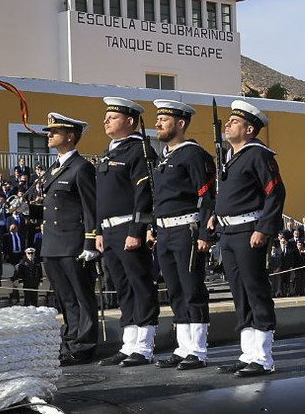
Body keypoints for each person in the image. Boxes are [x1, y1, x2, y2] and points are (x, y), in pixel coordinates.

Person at [214, 99, 286, 376]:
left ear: (249, 130)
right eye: (229, 120)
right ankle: (248, 354)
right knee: (239, 293)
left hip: (248, 230)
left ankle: (264, 357)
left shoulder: (258, 154)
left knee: (255, 290)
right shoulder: (231, 156)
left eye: (235, 121)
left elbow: (275, 192)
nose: (228, 124)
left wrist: (263, 228)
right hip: (228, 232)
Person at [150, 99, 217, 370]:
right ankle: (183, 347)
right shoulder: (164, 158)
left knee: (192, 289)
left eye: (163, 120)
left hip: (186, 229)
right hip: (165, 232)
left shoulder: (193, 155)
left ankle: (198, 350)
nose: (158, 123)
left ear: (180, 123)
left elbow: (208, 196)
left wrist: (204, 233)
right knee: (176, 292)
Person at [93, 97, 159, 367]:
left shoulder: (139, 151)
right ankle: (129, 342)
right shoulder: (109, 153)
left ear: (130, 121)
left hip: (128, 228)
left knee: (139, 284)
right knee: (122, 287)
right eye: (106, 116)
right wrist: (98, 231)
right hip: (109, 231)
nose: (106, 120)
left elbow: (144, 194)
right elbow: (102, 198)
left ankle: (144, 346)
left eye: (113, 116)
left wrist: (137, 229)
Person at [39, 112, 100, 365]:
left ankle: (84, 345)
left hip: (73, 242)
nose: (49, 135)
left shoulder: (81, 167)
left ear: (70, 136)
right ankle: (71, 340)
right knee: (65, 297)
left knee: (81, 296)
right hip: (53, 243)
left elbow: (90, 207)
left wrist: (90, 242)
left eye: (55, 131)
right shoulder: (56, 167)